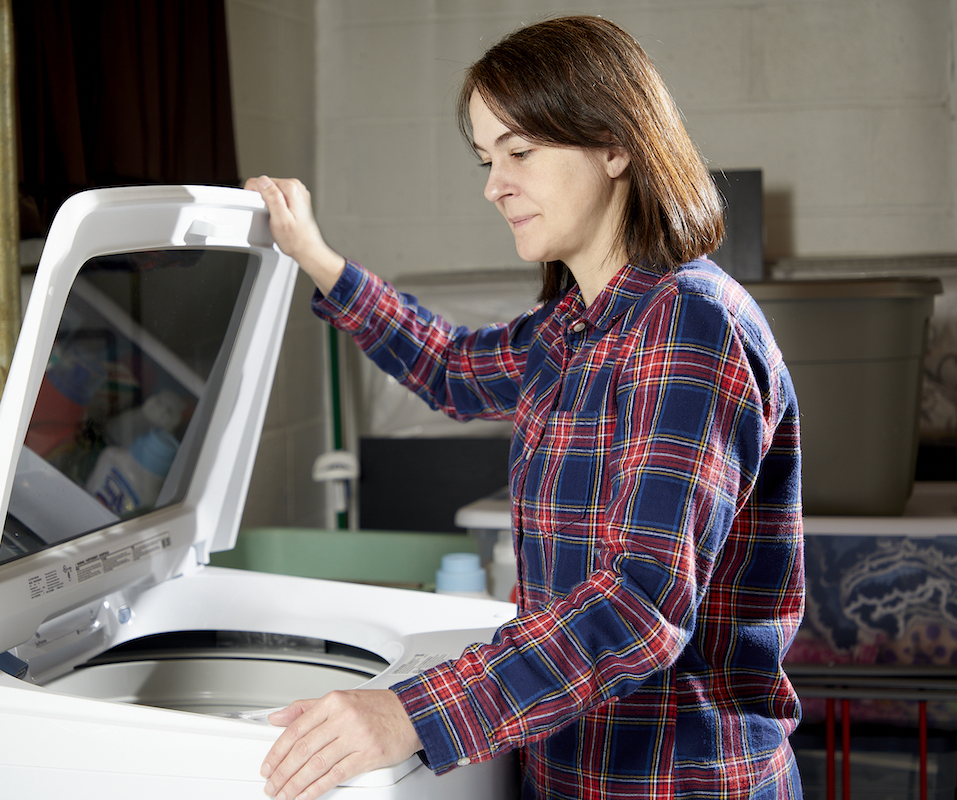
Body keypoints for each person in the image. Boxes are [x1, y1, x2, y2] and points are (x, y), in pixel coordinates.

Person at [245, 14, 804, 800]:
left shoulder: (688, 323)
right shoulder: (571, 328)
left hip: (679, 783)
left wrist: (408, 714)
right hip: (569, 773)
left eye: (520, 151)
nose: (494, 183)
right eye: (486, 157)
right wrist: (315, 256)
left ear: (615, 144)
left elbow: (640, 603)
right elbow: (447, 366)